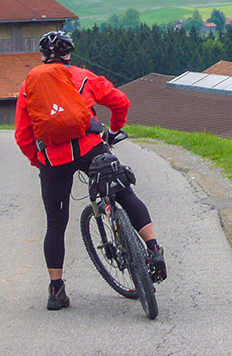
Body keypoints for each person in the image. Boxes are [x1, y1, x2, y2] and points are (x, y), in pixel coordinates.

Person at [14, 30, 166, 310]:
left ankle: (56, 290)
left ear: (43, 56)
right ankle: (154, 249)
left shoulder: (30, 86)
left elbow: (22, 135)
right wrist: (114, 130)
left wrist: (40, 161)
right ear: (68, 54)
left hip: (54, 159)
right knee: (125, 194)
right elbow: (121, 102)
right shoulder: (83, 77)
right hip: (91, 148)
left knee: (55, 224)